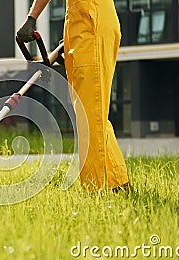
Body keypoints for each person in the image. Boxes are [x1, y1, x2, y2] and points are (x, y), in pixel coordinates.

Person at [17, 0, 130, 192]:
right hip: (83, 25)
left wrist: (32, 17)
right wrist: (70, 41)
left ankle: (96, 188)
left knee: (90, 116)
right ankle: (117, 182)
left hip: (91, 23)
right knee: (92, 113)